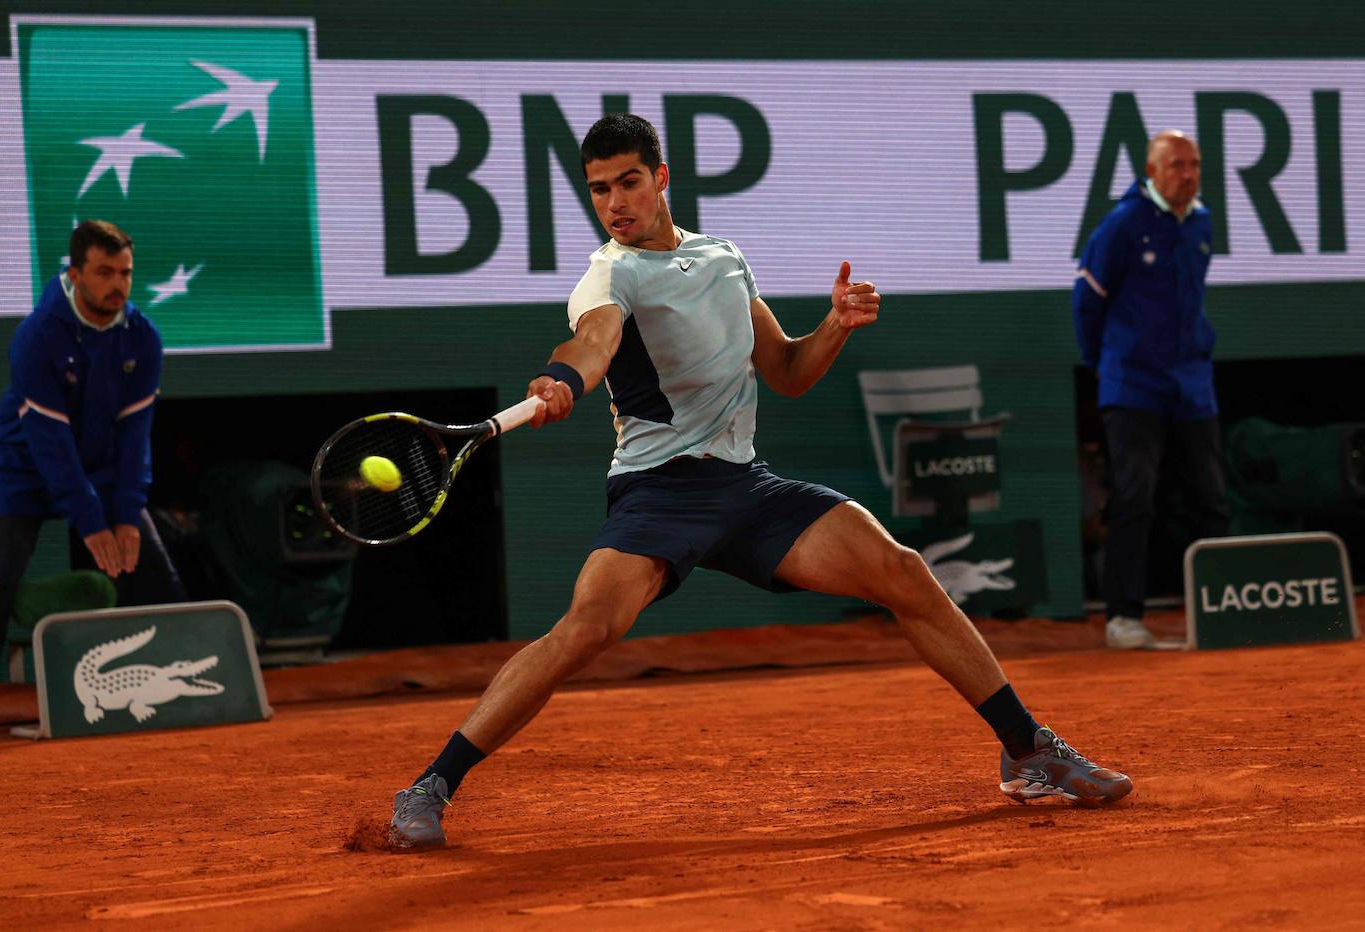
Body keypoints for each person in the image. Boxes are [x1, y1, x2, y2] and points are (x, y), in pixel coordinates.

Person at [389, 114, 1132, 848]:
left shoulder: (724, 258)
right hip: (658, 492)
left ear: (661, 179)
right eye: (598, 190)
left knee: (903, 571)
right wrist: (561, 380)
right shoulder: (608, 275)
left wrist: (834, 327)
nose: (615, 203)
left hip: (747, 487)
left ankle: (1027, 750)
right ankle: (431, 784)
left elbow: (785, 372)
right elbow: (593, 342)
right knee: (586, 629)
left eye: (629, 183)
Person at [0, 220, 186, 680]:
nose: (117, 284)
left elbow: (135, 436)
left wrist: (125, 513)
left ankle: (187, 689)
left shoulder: (144, 337)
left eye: (125, 273)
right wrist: (90, 520)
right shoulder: (37, 335)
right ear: (75, 274)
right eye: (104, 272)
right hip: (23, 468)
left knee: (161, 579)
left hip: (100, 468)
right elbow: (50, 441)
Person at [1073, 130, 1230, 649]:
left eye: (1195, 164)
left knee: (1211, 499)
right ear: (1153, 171)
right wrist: (1107, 364)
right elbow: (1086, 302)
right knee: (1135, 498)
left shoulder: (1202, 221)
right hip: (1133, 384)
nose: (1188, 173)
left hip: (1192, 384)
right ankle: (1123, 617)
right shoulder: (1123, 224)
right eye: (1178, 165)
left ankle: (1221, 609)